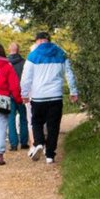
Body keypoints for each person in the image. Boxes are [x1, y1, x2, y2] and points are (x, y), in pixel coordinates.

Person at [20, 30, 79, 164]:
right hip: (55, 96)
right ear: (49, 40)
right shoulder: (61, 53)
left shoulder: (33, 55)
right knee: (53, 126)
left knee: (36, 122)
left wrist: (24, 94)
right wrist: (73, 91)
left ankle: (39, 143)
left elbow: (26, 78)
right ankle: (50, 155)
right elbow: (69, 73)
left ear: (37, 41)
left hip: (38, 96)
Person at [6, 41, 29, 152]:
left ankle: (13, 144)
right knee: (23, 118)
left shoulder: (5, 64)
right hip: (22, 94)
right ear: (18, 50)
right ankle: (24, 142)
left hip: (9, 94)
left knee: (10, 119)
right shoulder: (25, 63)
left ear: (9, 50)